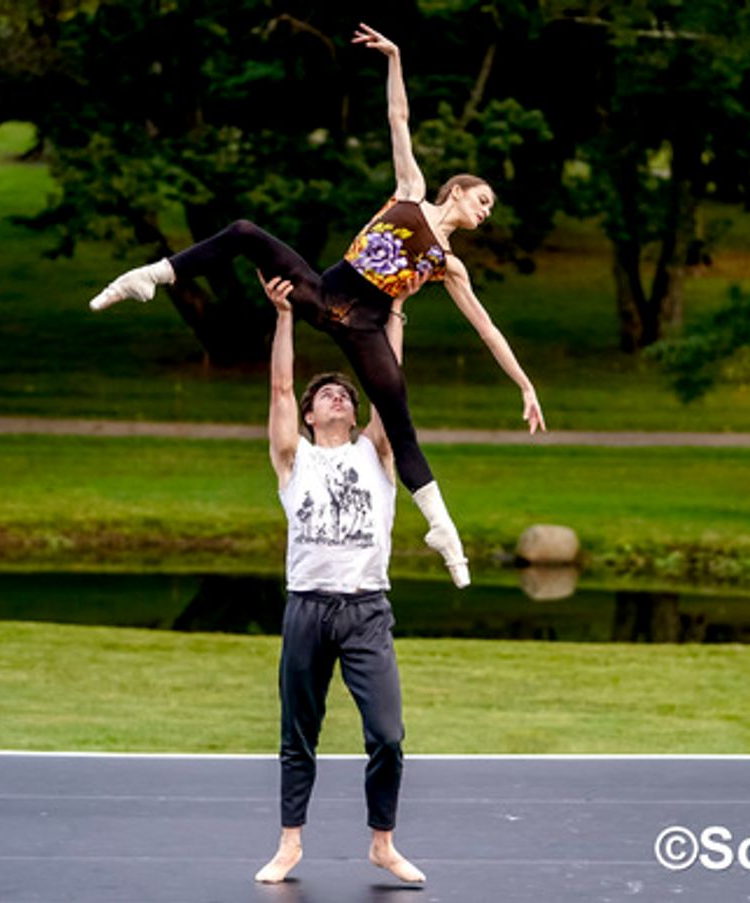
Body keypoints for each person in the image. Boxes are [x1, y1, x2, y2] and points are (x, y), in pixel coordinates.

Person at [87, 23, 546, 588]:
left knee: (400, 428)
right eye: (483, 200)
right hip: (323, 294)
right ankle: (152, 277)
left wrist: (524, 384)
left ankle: (443, 532)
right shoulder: (410, 191)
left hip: (366, 328)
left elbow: (488, 330)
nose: (486, 211)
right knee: (244, 231)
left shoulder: (449, 265)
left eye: (491, 208)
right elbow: (398, 120)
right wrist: (395, 58)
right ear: (456, 191)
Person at [252, 270, 424, 885]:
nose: (340, 399)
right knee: (298, 735)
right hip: (307, 609)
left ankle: (383, 843)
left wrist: (395, 314)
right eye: (328, 395)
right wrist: (285, 316)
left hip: (366, 612)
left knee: (388, 735)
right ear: (309, 413)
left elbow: (389, 386)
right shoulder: (292, 458)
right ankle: (289, 843)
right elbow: (278, 387)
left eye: (347, 396)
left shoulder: (375, 454)